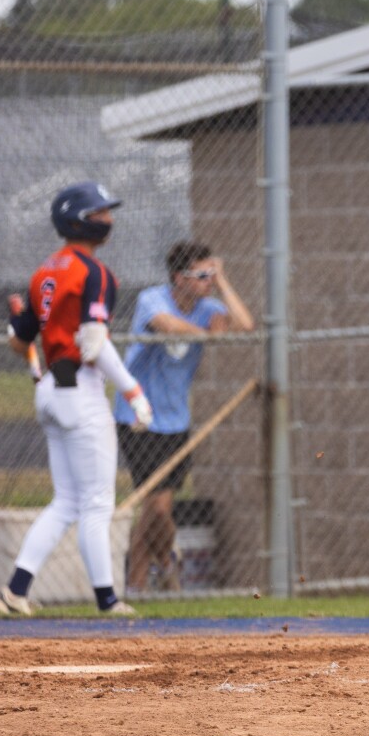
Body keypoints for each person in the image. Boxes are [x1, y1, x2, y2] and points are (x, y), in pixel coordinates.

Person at [0, 181, 152, 616]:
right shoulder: (94, 272)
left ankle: (15, 590)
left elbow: (18, 338)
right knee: (97, 503)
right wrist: (132, 390)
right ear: (79, 220)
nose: (109, 220)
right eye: (100, 213)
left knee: (67, 501)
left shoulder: (44, 269)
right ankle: (107, 600)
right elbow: (94, 343)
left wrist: (16, 322)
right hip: (79, 390)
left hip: (48, 388)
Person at [115, 241, 255, 593]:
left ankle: (157, 569)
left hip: (176, 422)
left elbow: (245, 324)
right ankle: (147, 577)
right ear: (179, 278)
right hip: (139, 416)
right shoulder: (153, 299)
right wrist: (210, 335)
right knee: (157, 507)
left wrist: (222, 283)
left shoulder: (209, 307)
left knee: (157, 507)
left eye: (211, 274)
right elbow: (169, 327)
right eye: (202, 275)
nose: (208, 281)